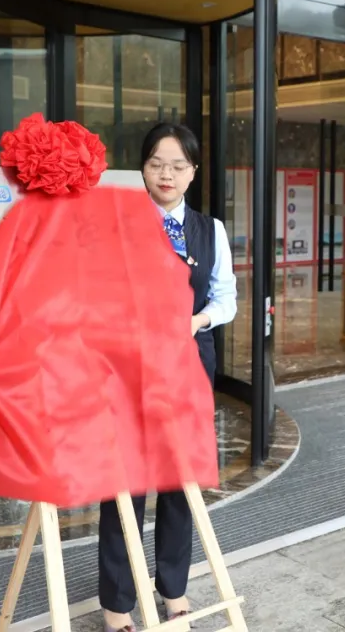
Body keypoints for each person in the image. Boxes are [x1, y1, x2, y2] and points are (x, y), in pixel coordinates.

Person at [96, 123, 238, 632]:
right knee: (127, 484)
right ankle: (116, 602)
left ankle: (173, 587)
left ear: (194, 172)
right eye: (157, 163)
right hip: (129, 367)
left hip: (188, 363)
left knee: (181, 481)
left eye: (179, 165)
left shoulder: (211, 230)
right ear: (142, 168)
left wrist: (196, 320)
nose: (167, 174)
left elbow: (225, 298)